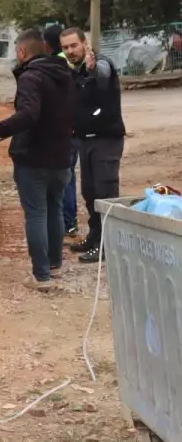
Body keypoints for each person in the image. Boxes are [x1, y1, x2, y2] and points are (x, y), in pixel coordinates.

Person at [0, 29, 75, 291]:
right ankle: (54, 264)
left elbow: (28, 115)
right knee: (55, 209)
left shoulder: (31, 77)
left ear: (23, 52)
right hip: (62, 157)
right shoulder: (65, 73)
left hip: (34, 158)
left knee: (37, 214)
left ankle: (41, 276)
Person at [59, 26, 125, 264]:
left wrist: (93, 67)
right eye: (65, 47)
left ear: (85, 43)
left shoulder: (100, 64)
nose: (70, 51)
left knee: (105, 194)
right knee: (89, 193)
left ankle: (107, 244)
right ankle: (95, 237)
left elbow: (103, 74)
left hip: (106, 140)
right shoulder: (74, 72)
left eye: (74, 45)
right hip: (85, 142)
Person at [43, 24, 79, 237]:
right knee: (68, 176)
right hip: (71, 128)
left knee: (65, 177)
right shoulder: (67, 61)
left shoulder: (57, 63)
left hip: (65, 131)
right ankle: (69, 221)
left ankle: (67, 222)